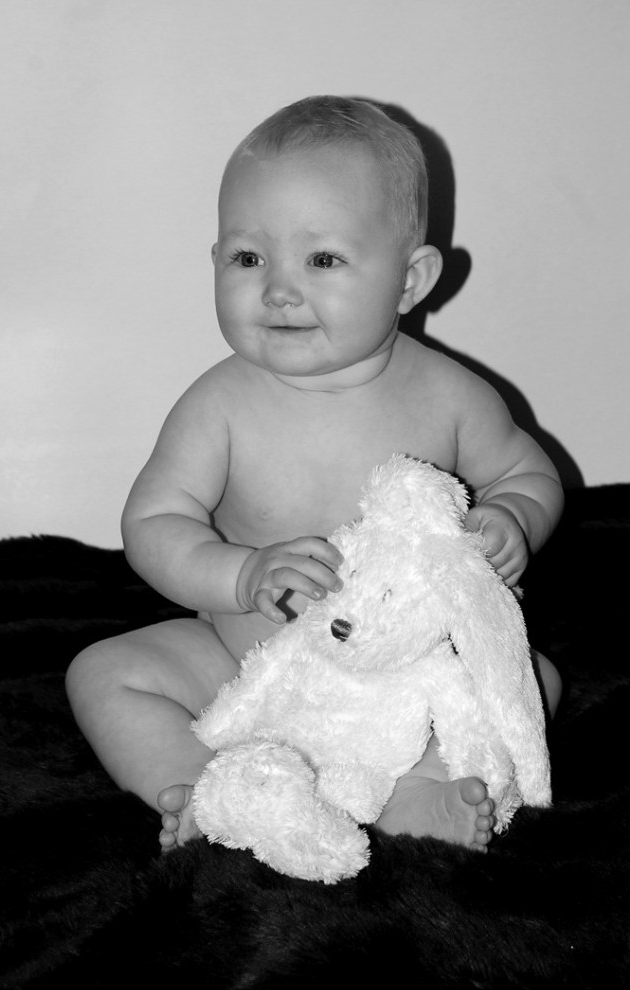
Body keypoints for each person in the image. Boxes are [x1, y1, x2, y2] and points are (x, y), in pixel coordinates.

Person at [66, 95, 563, 856]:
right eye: (247, 258)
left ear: (409, 280)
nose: (278, 288)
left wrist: (512, 519)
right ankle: (210, 792)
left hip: (402, 687)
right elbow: (154, 522)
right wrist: (241, 575)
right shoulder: (218, 405)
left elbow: (526, 473)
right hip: (246, 670)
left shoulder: (451, 396)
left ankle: (419, 790)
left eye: (322, 259)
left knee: (531, 677)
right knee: (103, 672)